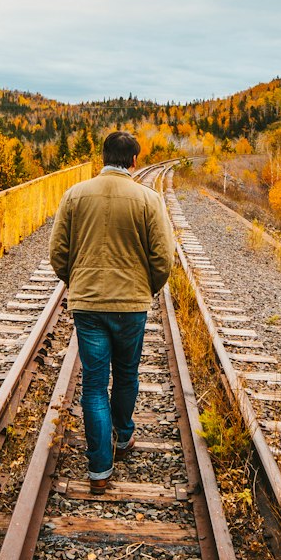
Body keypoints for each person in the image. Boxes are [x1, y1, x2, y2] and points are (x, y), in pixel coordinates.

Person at [49, 132, 174, 489]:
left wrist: (77, 283)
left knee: (92, 386)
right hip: (131, 306)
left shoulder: (74, 196)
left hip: (88, 305)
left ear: (102, 156)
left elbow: (58, 253)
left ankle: (99, 469)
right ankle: (123, 436)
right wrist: (145, 289)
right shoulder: (149, 200)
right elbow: (162, 258)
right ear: (134, 161)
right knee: (126, 374)